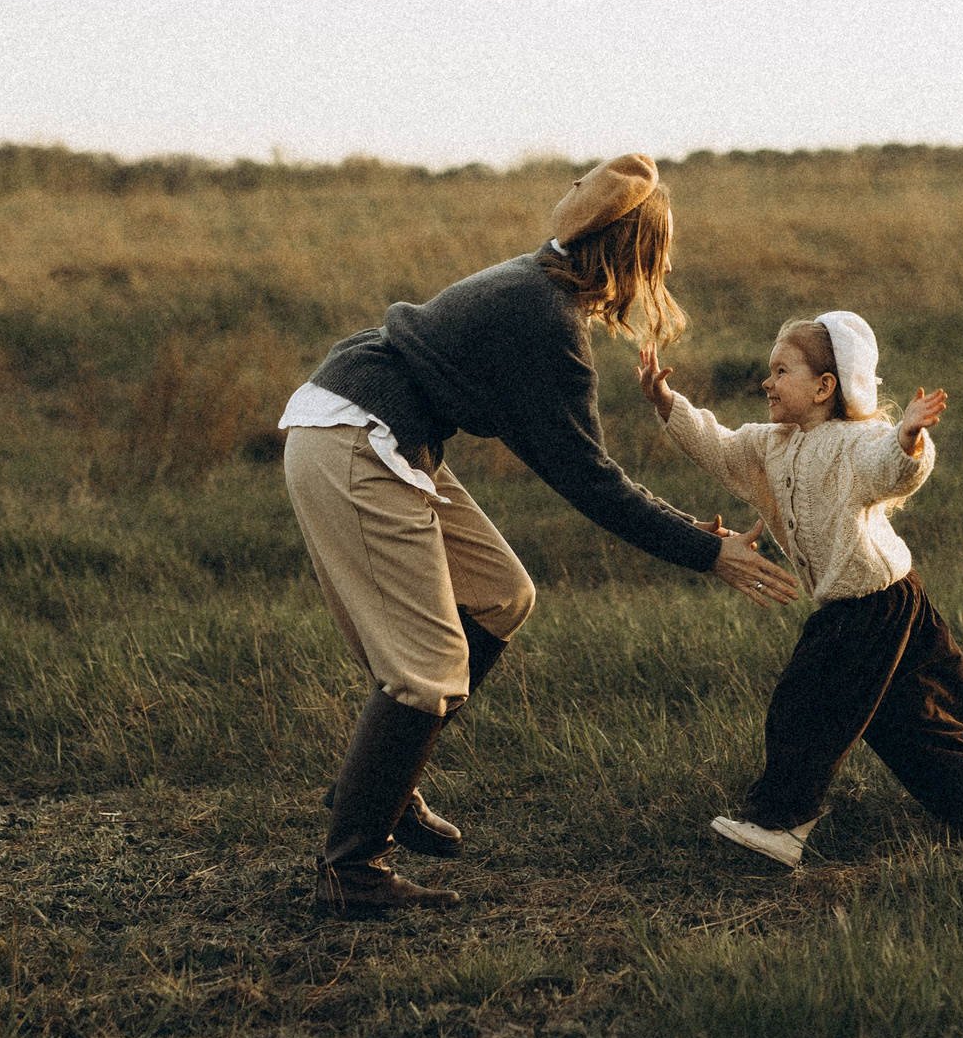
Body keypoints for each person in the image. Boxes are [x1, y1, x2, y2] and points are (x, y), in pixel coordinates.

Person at [282, 154, 800, 913]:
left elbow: (586, 469)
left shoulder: (538, 286)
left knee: (500, 594)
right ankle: (351, 866)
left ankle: (384, 784)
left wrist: (695, 531)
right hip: (359, 435)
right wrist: (706, 550)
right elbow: (591, 481)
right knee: (426, 669)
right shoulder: (547, 321)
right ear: (632, 255)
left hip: (377, 424)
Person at [635, 311, 963, 867]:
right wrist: (667, 404)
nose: (766, 383)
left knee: (806, 706)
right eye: (768, 372)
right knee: (904, 717)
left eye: (781, 371)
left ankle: (781, 823)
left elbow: (888, 467)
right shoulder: (768, 444)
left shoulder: (856, 443)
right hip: (881, 597)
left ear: (825, 386)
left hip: (871, 602)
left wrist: (908, 438)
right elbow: (719, 447)